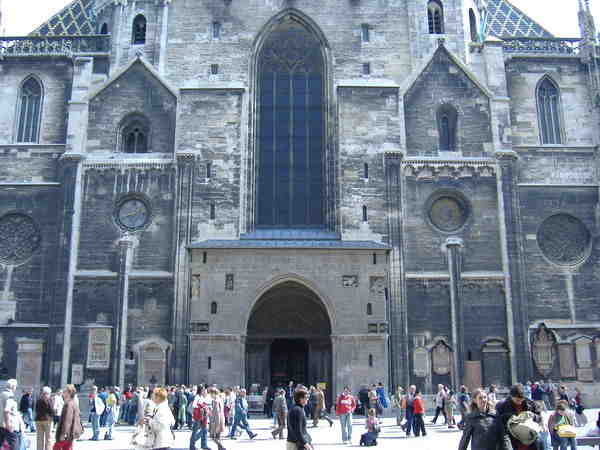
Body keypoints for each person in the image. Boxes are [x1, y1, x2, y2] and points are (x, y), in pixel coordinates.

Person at [496, 383, 543, 450]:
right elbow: (498, 423)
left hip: (530, 440)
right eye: (517, 400)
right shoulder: (502, 406)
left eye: (522, 399)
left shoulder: (530, 403)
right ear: (511, 396)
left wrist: (533, 416)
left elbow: (539, 418)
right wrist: (511, 417)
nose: (520, 402)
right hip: (512, 440)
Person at [55, 385, 84, 450]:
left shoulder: (69, 404)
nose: (63, 393)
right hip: (70, 433)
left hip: (67, 434)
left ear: (69, 393)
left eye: (65, 391)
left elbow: (68, 420)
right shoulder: (73, 403)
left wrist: (64, 433)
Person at [0, 379, 22, 450]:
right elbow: (7, 410)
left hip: (1, 424)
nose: (16, 388)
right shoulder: (10, 396)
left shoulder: (2, 394)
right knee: (14, 446)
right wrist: (8, 424)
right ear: (13, 386)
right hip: (9, 425)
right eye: (15, 386)